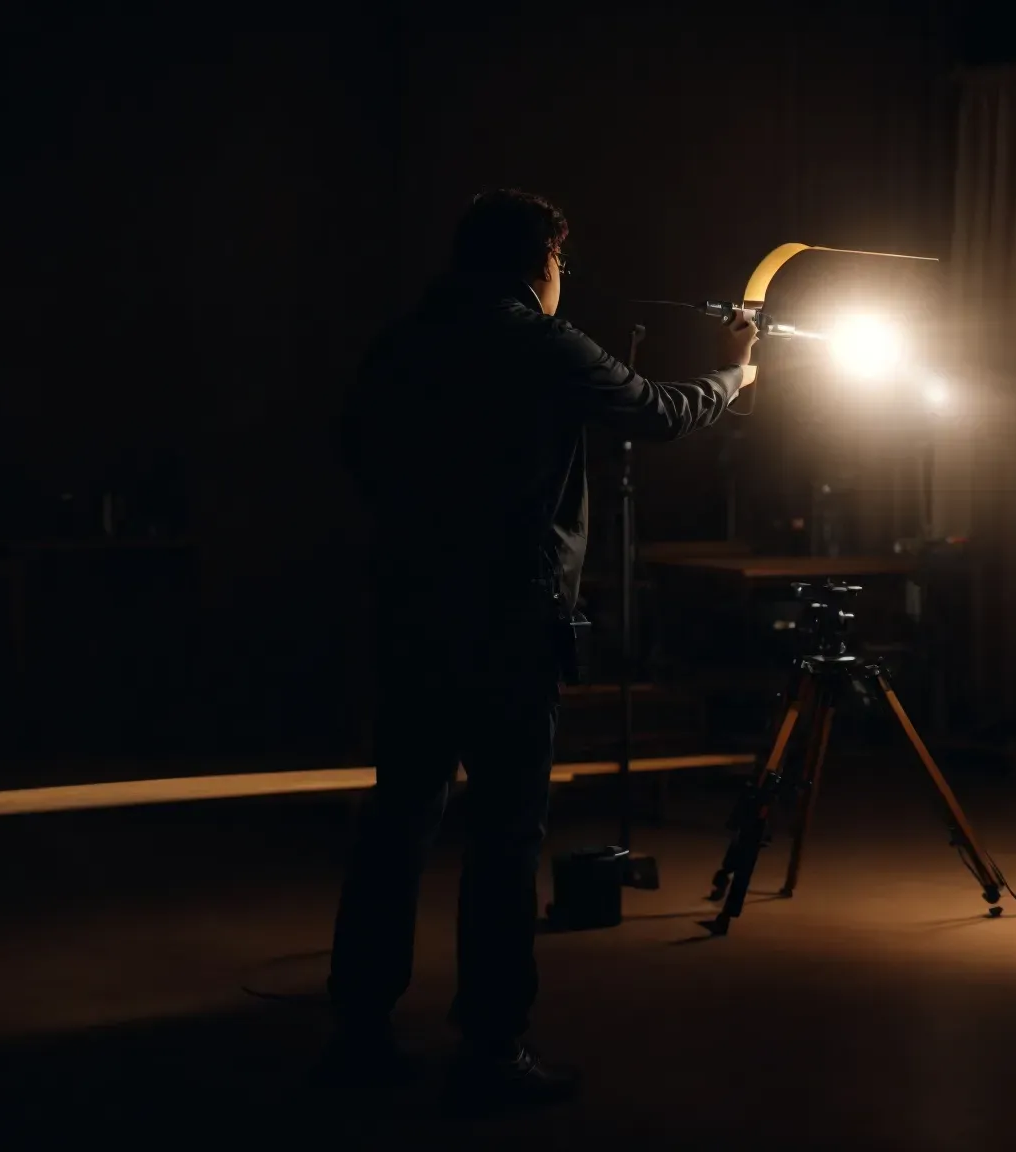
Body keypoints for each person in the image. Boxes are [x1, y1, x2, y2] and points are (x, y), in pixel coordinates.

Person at [328, 189, 757, 1113]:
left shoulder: (403, 341)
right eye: (561, 264)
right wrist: (733, 379)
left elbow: (353, 448)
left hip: (411, 614)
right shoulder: (534, 339)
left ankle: (359, 1029)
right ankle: (490, 1046)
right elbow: (655, 409)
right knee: (505, 839)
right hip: (508, 625)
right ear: (543, 262)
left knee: (397, 822)